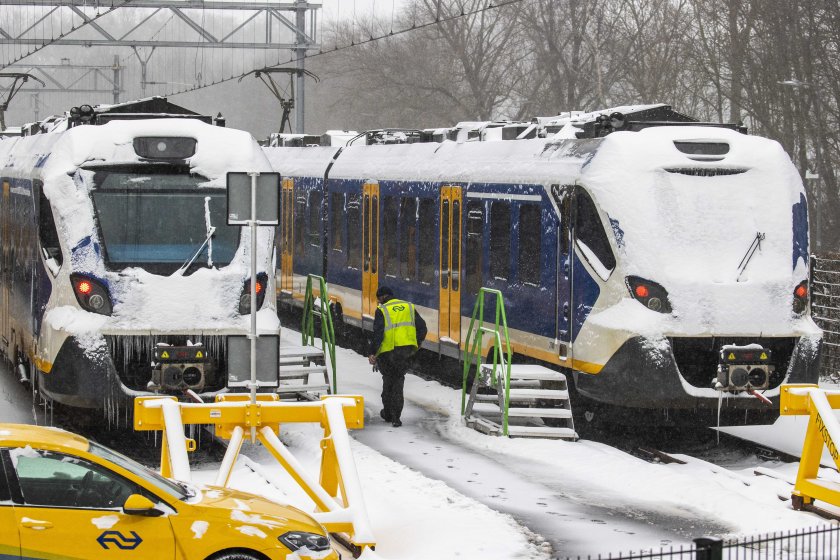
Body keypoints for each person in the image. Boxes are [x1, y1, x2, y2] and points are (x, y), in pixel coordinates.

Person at [368, 285, 427, 427]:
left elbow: (378, 334)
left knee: (388, 382)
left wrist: (373, 353)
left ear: (382, 297)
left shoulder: (382, 310)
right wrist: (417, 343)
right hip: (405, 353)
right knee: (398, 382)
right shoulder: (408, 306)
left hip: (387, 353)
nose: (379, 302)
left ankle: (388, 413)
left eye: (379, 299)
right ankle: (396, 417)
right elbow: (422, 328)